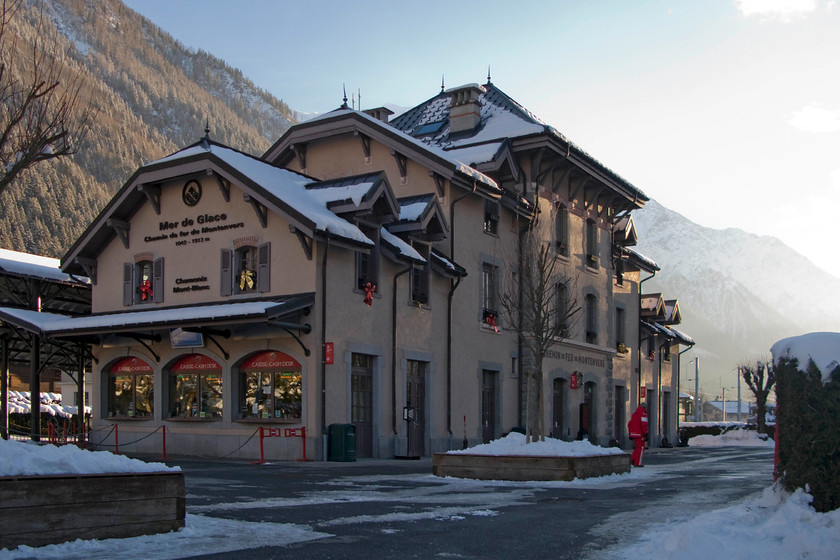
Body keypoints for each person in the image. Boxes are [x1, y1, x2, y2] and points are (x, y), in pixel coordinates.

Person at [628, 402, 649, 467]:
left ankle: (633, 459)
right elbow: (644, 425)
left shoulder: (634, 414)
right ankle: (638, 463)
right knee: (641, 448)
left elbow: (629, 424)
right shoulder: (643, 414)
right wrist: (646, 433)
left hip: (634, 434)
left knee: (637, 447)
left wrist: (630, 433)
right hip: (640, 434)